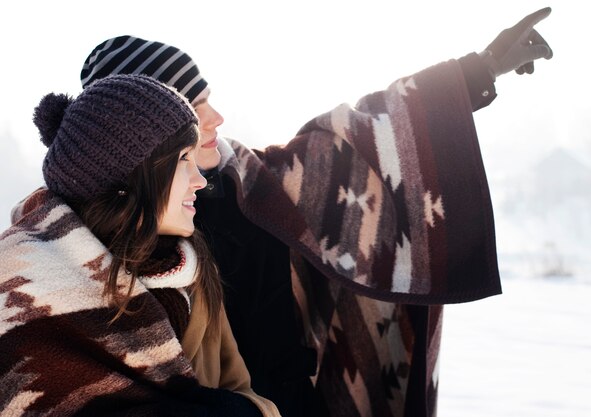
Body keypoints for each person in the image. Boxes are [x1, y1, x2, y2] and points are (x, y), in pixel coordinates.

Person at [21, 7, 552, 417]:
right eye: (194, 107)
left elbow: (356, 141)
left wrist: (475, 74)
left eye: (207, 100)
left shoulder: (249, 182)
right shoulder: (77, 253)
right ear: (141, 137)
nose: (216, 117)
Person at [0, 74, 281, 416]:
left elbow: (239, 386)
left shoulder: (191, 268)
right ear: (129, 174)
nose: (200, 179)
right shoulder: (21, 290)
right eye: (182, 159)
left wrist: (244, 410)